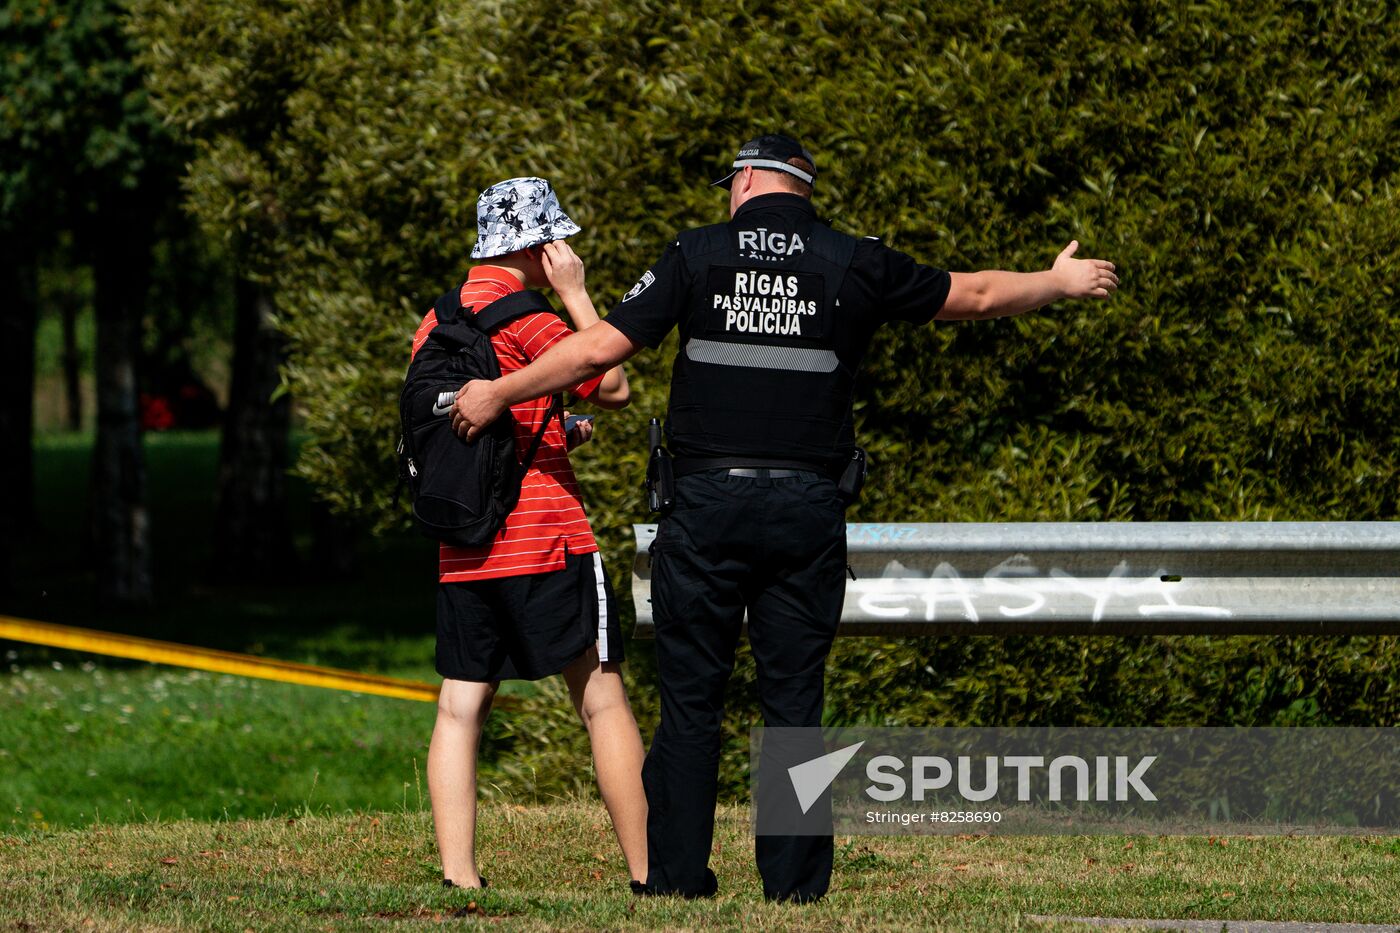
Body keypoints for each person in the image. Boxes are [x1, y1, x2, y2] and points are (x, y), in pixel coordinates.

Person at [447, 137, 1119, 901]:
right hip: (806, 510)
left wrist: (500, 392)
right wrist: (1057, 281)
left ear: (750, 181)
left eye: (729, 182)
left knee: (692, 698)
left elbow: (599, 348)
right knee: (795, 702)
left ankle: (673, 879)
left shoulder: (696, 254)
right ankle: (795, 889)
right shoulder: (852, 259)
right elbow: (978, 295)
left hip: (705, 507)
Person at [413, 176, 647, 892]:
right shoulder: (528, 314)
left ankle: (460, 876)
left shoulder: (437, 318)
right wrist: (576, 296)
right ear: (537, 247)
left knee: (460, 703)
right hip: (546, 537)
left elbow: (460, 424)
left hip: (466, 544)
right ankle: (649, 871)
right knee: (601, 695)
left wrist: (546, 433)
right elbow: (611, 385)